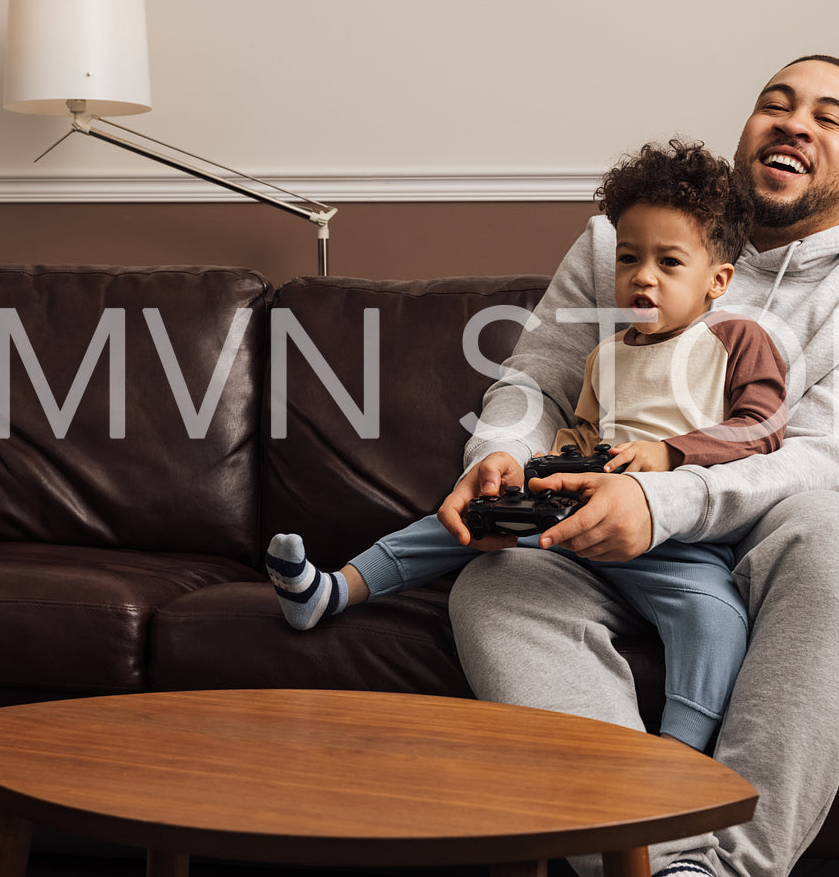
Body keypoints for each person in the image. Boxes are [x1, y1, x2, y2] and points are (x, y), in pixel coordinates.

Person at [438, 56, 839, 877]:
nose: (792, 123)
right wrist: (495, 456)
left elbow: (829, 460)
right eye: (773, 105)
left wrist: (661, 497)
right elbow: (536, 380)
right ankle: (655, 874)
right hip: (599, 524)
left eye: (827, 117)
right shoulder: (624, 238)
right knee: (494, 584)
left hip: (761, 541)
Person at [265, 139, 787, 753]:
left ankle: (680, 755)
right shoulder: (607, 354)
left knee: (716, 620)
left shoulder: (736, 339)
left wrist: (670, 453)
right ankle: (332, 590)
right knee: (457, 522)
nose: (642, 277)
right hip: (578, 517)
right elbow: (585, 434)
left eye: (669, 263)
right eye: (628, 258)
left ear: (717, 280)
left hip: (677, 541)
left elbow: (762, 427)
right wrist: (542, 469)